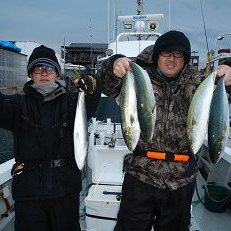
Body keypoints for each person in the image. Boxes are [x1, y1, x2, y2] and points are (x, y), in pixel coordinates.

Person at [96, 30, 231, 231]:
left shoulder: (199, 83)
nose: (171, 59)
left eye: (178, 55)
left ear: (185, 58)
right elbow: (105, 84)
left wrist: (228, 71)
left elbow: (225, 95)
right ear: (157, 55)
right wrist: (113, 65)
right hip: (140, 176)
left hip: (180, 181)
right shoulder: (135, 77)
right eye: (166, 53)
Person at [0, 45, 101, 231]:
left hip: (65, 190)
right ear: (31, 74)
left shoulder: (72, 102)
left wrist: (92, 87)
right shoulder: (17, 103)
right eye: (38, 69)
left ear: (57, 74)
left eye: (50, 68)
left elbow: (91, 101)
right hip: (29, 193)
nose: (44, 73)